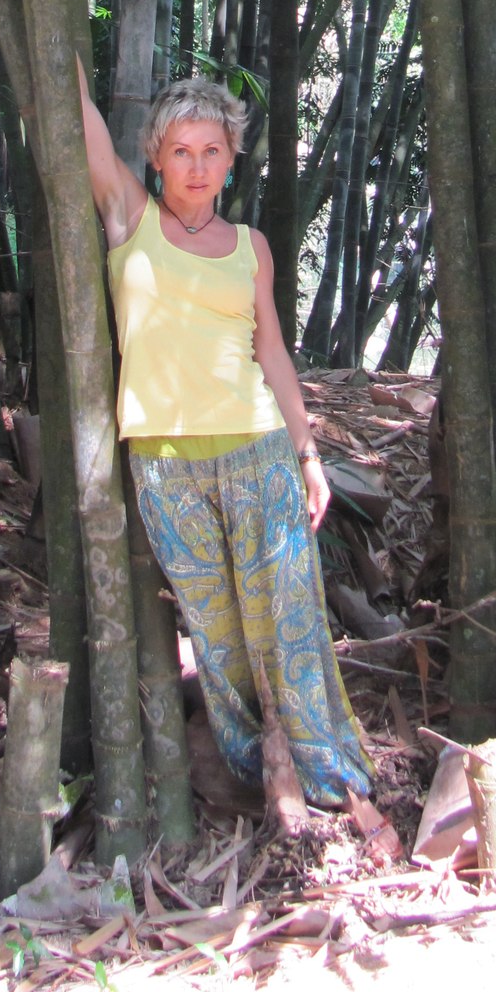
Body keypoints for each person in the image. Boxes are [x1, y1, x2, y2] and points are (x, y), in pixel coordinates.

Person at [80, 66, 371, 808]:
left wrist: (309, 454)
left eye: (212, 151)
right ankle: (258, 777)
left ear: (232, 158)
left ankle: (330, 778)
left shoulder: (250, 246)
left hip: (257, 449)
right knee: (216, 634)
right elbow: (78, 114)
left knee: (289, 621)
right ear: (155, 156)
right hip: (164, 464)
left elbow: (271, 351)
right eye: (182, 151)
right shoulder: (129, 217)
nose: (197, 166)